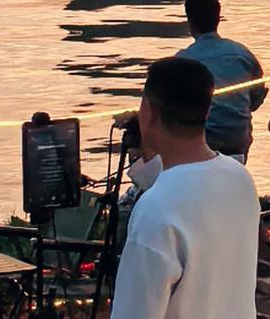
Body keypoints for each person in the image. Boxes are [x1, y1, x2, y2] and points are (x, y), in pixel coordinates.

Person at [110, 57, 260, 319]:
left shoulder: (155, 210)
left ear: (148, 111)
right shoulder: (240, 180)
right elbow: (183, 181)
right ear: (207, 112)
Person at [176, 0, 266, 162]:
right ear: (218, 18)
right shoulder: (242, 54)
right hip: (238, 141)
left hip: (203, 143)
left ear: (190, 23)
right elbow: (256, 97)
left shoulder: (182, 61)